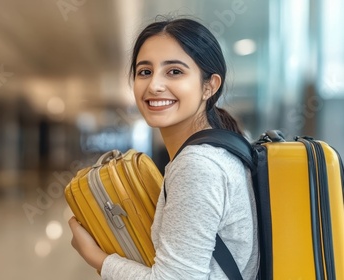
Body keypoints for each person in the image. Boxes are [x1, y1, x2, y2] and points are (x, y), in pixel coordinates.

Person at [68, 18, 259, 279]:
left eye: (174, 72)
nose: (154, 85)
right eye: (145, 72)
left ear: (209, 86)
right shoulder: (219, 150)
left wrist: (97, 258)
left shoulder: (198, 164)